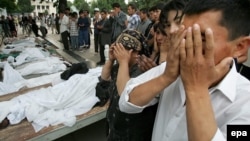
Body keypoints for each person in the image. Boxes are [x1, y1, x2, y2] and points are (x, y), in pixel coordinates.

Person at [119, 0, 250, 141]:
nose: (186, 45)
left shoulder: (245, 103)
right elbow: (126, 102)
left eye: (201, 39)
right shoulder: (172, 69)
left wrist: (196, 89)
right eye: (183, 35)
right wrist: (166, 77)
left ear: (240, 47)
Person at [99, 29, 157, 141]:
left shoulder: (143, 72)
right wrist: (111, 60)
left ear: (135, 53)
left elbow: (125, 95)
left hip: (131, 132)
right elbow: (104, 78)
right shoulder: (119, 67)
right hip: (115, 125)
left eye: (123, 49)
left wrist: (123, 61)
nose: (118, 52)